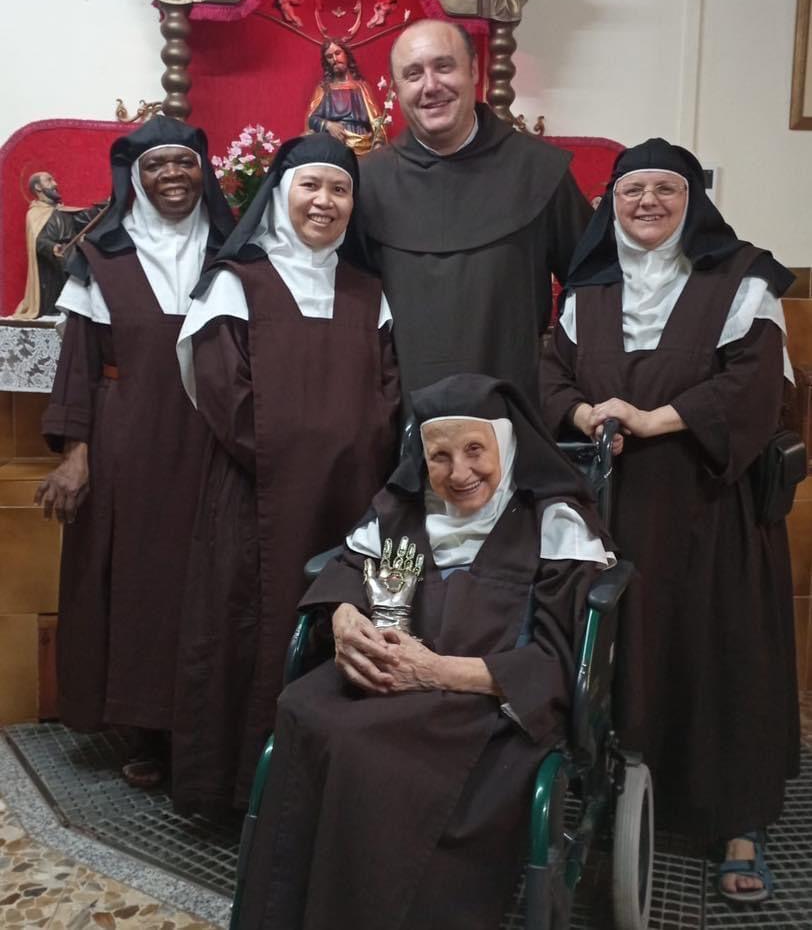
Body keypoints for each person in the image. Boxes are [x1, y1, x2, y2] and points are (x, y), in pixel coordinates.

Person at [235, 373, 615, 930]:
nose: (458, 473)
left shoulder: (552, 521)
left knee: (361, 749)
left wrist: (435, 671)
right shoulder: (402, 507)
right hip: (391, 674)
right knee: (299, 707)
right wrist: (342, 618)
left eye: (475, 451)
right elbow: (345, 567)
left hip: (480, 701)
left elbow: (557, 662)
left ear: (507, 446)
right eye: (440, 456)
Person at [540, 137, 799, 903]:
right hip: (613, 510)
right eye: (631, 191)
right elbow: (548, 370)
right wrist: (582, 409)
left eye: (666, 189)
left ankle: (737, 822)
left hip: (710, 510)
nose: (647, 202)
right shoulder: (589, 287)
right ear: (609, 204)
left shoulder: (741, 278)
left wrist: (656, 420)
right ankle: (622, 799)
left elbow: (758, 388)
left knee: (723, 656)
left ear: (695, 202)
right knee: (621, 654)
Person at [172, 132, 399, 816]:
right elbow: (223, 396)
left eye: (339, 189)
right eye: (311, 186)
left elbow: (388, 395)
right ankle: (238, 793)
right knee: (244, 637)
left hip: (350, 504)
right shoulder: (235, 284)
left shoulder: (369, 292)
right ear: (279, 195)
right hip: (256, 501)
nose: (325, 202)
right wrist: (311, 449)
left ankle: (327, 794)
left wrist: (351, 457)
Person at [34, 116, 234, 787]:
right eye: (156, 166)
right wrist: (76, 452)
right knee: (140, 582)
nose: (172, 177)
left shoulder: (236, 251)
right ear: (135, 177)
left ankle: (200, 729)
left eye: (183, 163)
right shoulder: (103, 257)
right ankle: (146, 731)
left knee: (203, 583)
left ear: (202, 170)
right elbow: (79, 363)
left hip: (215, 442)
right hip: (129, 443)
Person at [359, 19, 593, 405]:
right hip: (398, 418)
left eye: (444, 66)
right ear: (397, 90)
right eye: (413, 74)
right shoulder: (368, 184)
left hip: (513, 407)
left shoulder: (537, 171)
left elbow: (593, 289)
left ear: (473, 71)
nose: (430, 86)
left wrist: (559, 381)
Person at [13, 172, 101, 318]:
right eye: (49, 180)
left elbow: (85, 218)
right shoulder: (35, 214)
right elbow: (38, 241)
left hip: (73, 254)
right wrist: (52, 247)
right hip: (54, 264)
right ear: (38, 187)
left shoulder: (63, 211)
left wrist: (105, 206)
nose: (55, 184)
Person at [305, 39, 384, 154]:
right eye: (329, 57)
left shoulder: (362, 87)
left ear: (346, 55)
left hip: (364, 145)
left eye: (337, 53)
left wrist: (378, 142)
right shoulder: (324, 89)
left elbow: (376, 118)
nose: (335, 60)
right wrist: (328, 125)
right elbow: (311, 119)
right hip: (334, 145)